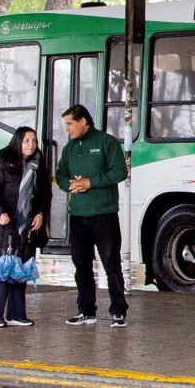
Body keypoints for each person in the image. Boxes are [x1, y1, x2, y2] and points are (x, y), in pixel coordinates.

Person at [54, 103, 129, 327]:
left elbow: (120, 171)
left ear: (83, 121)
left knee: (110, 263)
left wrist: (90, 183)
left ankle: (118, 311)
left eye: (70, 124)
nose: (67, 129)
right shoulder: (69, 148)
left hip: (104, 214)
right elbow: (60, 174)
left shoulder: (107, 142)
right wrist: (70, 184)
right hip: (78, 215)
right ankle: (86, 311)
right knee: (81, 264)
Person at [0, 126, 50, 328]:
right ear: (18, 142)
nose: (31, 145)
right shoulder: (1, 164)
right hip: (4, 226)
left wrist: (40, 214)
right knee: (2, 271)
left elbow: (44, 194)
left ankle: (16, 314)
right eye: (27, 141)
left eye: (34, 141)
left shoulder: (37, 166)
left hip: (26, 226)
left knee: (20, 270)